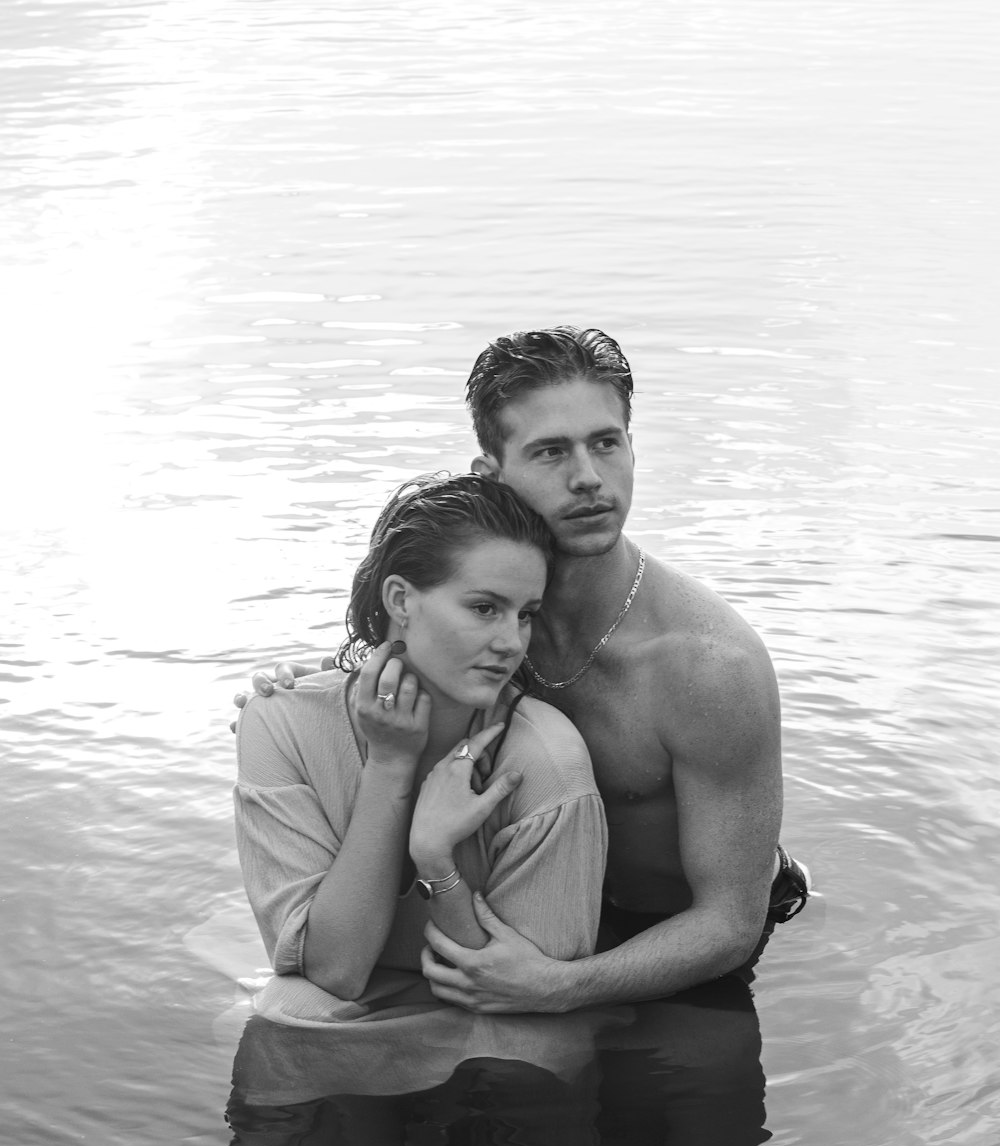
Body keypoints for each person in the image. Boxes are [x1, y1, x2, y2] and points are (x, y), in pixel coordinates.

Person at [236, 327, 809, 1014]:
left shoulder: (707, 667)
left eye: (607, 442)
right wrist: (301, 686)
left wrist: (560, 988)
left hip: (681, 948)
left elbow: (729, 923)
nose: (589, 477)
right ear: (490, 474)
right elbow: (401, 633)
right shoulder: (496, 629)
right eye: (550, 452)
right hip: (542, 916)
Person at [233, 470, 608, 1043]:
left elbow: (527, 999)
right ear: (401, 600)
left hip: (491, 1024)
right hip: (361, 1001)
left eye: (525, 613)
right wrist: (390, 766)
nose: (511, 641)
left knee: (524, 1056)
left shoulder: (544, 764)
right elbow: (333, 972)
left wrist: (437, 860)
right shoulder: (279, 724)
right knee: (288, 1013)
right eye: (485, 608)